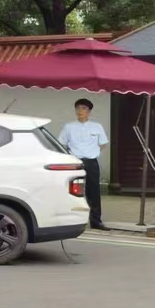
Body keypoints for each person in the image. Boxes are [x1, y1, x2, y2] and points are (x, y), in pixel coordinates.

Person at [59, 98, 109, 229]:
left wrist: (94, 151)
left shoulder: (97, 126)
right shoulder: (69, 127)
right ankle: (71, 220)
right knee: (73, 191)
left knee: (94, 192)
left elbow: (103, 143)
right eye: (78, 108)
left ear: (89, 111)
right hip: (75, 162)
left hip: (91, 162)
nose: (80, 111)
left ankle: (96, 221)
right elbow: (62, 143)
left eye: (84, 108)